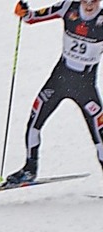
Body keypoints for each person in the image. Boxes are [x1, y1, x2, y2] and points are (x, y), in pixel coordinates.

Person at [7, 0, 103, 184]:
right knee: (34, 122)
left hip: (85, 87)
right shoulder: (68, 7)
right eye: (85, 0)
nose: (89, 5)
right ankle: (29, 170)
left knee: (100, 135)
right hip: (59, 80)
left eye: (94, 0)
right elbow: (32, 17)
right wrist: (23, 12)